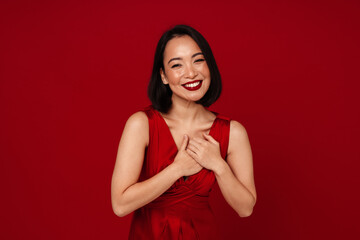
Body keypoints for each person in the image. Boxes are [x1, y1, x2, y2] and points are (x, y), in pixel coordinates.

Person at [111, 24, 256, 239]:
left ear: (210, 66)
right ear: (164, 76)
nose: (191, 73)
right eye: (177, 65)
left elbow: (246, 208)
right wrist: (177, 169)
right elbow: (120, 205)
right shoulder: (141, 124)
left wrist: (218, 165)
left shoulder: (233, 132)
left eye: (198, 60)